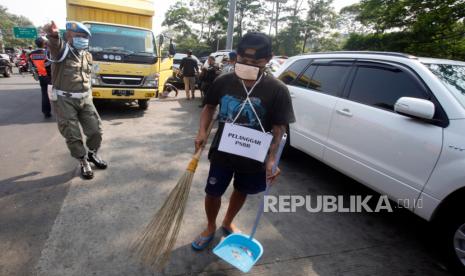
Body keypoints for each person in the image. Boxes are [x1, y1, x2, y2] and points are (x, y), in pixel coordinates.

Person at [191, 32, 295, 250]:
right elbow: (209, 107)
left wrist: (272, 160)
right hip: (223, 151)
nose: (248, 66)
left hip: (254, 154)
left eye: (256, 62)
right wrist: (202, 131)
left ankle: (228, 221)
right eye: (243, 60)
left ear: (268, 59)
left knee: (242, 190)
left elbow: (279, 128)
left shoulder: (277, 90)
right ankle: (211, 226)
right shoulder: (224, 81)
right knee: (213, 191)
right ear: (236, 56)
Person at [44, 20, 108, 180]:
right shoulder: (61, 51)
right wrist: (52, 35)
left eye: (85, 36)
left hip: (85, 99)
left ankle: (92, 154)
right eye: (79, 36)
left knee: (96, 131)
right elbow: (54, 44)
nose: (83, 39)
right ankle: (83, 161)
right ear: (69, 36)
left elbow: (87, 76)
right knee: (72, 134)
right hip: (65, 100)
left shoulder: (87, 55)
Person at [29, 36, 52, 118]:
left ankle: (46, 112)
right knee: (56, 94)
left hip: (40, 76)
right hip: (49, 77)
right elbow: (51, 64)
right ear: (44, 43)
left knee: (44, 94)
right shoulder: (47, 53)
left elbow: (32, 66)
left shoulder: (32, 54)